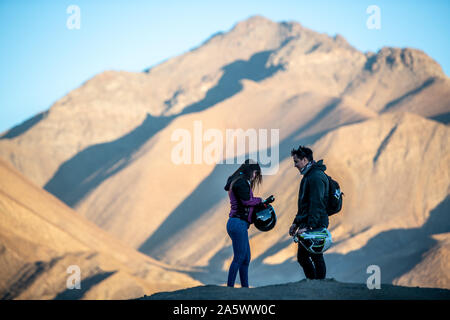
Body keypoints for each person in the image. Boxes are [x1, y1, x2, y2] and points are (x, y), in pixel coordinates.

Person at [224, 159, 273, 287]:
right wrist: (260, 200)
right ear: (251, 171)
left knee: (245, 259)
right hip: (238, 223)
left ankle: (244, 288)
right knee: (239, 258)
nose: (255, 176)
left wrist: (260, 202)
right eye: (256, 173)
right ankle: (229, 288)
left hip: (238, 224)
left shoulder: (238, 180)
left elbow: (247, 201)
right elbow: (246, 201)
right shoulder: (241, 182)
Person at [289, 146, 329, 280]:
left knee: (316, 256)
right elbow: (304, 206)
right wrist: (296, 223)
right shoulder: (308, 176)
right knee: (303, 257)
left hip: (315, 224)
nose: (295, 165)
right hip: (308, 223)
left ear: (305, 160)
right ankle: (314, 284)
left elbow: (316, 204)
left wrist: (310, 227)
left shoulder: (315, 177)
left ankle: (318, 286)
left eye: (296, 162)